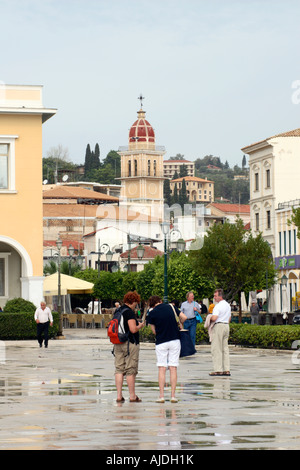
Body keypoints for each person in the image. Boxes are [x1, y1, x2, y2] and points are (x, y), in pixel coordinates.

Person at [148, 296, 182, 403]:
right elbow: (184, 317)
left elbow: (153, 331)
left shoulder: (152, 313)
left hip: (161, 341)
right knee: (173, 367)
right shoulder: (171, 307)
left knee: (162, 368)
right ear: (160, 301)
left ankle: (162, 396)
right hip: (175, 340)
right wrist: (179, 325)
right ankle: (173, 396)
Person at [114, 291, 145, 403]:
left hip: (117, 342)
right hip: (129, 343)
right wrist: (140, 326)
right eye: (136, 302)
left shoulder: (118, 310)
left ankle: (119, 396)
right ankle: (132, 396)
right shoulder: (129, 312)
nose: (136, 305)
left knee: (119, 369)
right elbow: (132, 329)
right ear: (133, 301)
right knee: (130, 369)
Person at [209, 289, 231, 377]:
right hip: (226, 325)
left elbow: (214, 318)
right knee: (225, 349)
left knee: (217, 348)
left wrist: (209, 318)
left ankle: (218, 370)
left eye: (215, 296)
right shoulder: (227, 305)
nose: (214, 298)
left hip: (218, 326)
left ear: (220, 296)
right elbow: (229, 318)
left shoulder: (218, 306)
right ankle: (226, 369)